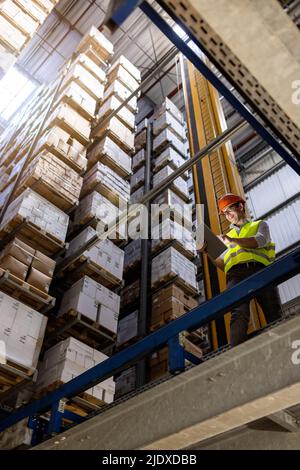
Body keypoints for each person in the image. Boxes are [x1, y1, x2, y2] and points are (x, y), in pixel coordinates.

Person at [200, 193, 282, 346]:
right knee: (238, 313)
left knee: (273, 311)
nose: (227, 216)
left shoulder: (259, 225)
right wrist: (208, 252)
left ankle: (284, 345)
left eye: (229, 210)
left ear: (240, 206)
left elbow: (260, 241)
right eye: (224, 213)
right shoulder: (226, 236)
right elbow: (223, 265)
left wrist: (233, 240)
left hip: (261, 272)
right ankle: (237, 354)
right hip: (235, 276)